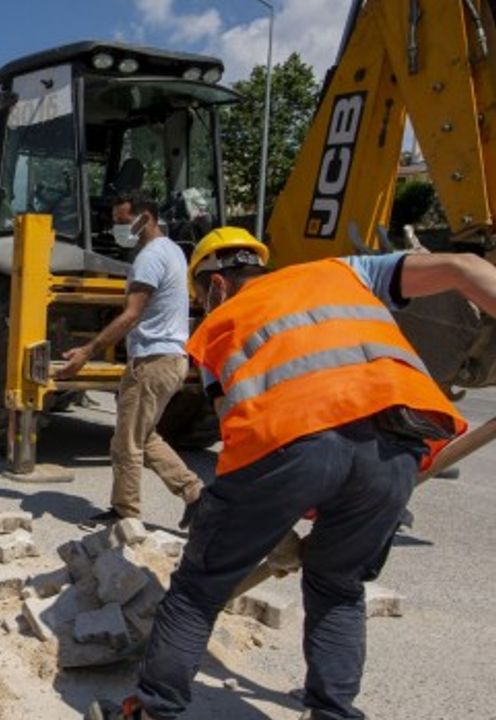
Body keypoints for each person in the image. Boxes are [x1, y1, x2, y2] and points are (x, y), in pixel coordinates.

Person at [89, 228, 488, 720]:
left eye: (199, 296)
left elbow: (240, 436)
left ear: (214, 285)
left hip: (293, 443)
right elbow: (463, 268)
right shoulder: (345, 271)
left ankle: (152, 710)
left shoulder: (217, 328)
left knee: (198, 589)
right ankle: (332, 712)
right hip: (396, 446)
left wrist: (260, 527)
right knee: (338, 587)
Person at [57, 192, 203, 527]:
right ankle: (194, 492)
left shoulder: (150, 257)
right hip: (171, 359)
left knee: (125, 443)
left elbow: (130, 315)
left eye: (123, 222)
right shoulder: (175, 251)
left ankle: (125, 515)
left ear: (145, 217)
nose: (118, 228)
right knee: (143, 435)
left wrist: (86, 352)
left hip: (152, 361)